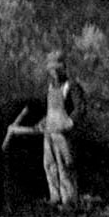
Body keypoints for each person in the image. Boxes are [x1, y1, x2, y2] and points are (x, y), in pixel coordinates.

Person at [39, 50, 85, 208]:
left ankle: (69, 200)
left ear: (63, 68)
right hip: (49, 132)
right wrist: (44, 122)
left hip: (64, 135)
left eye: (57, 69)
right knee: (49, 165)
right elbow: (50, 111)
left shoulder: (71, 86)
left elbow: (80, 109)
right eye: (52, 70)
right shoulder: (51, 87)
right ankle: (55, 196)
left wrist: (69, 124)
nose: (54, 72)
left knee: (65, 165)